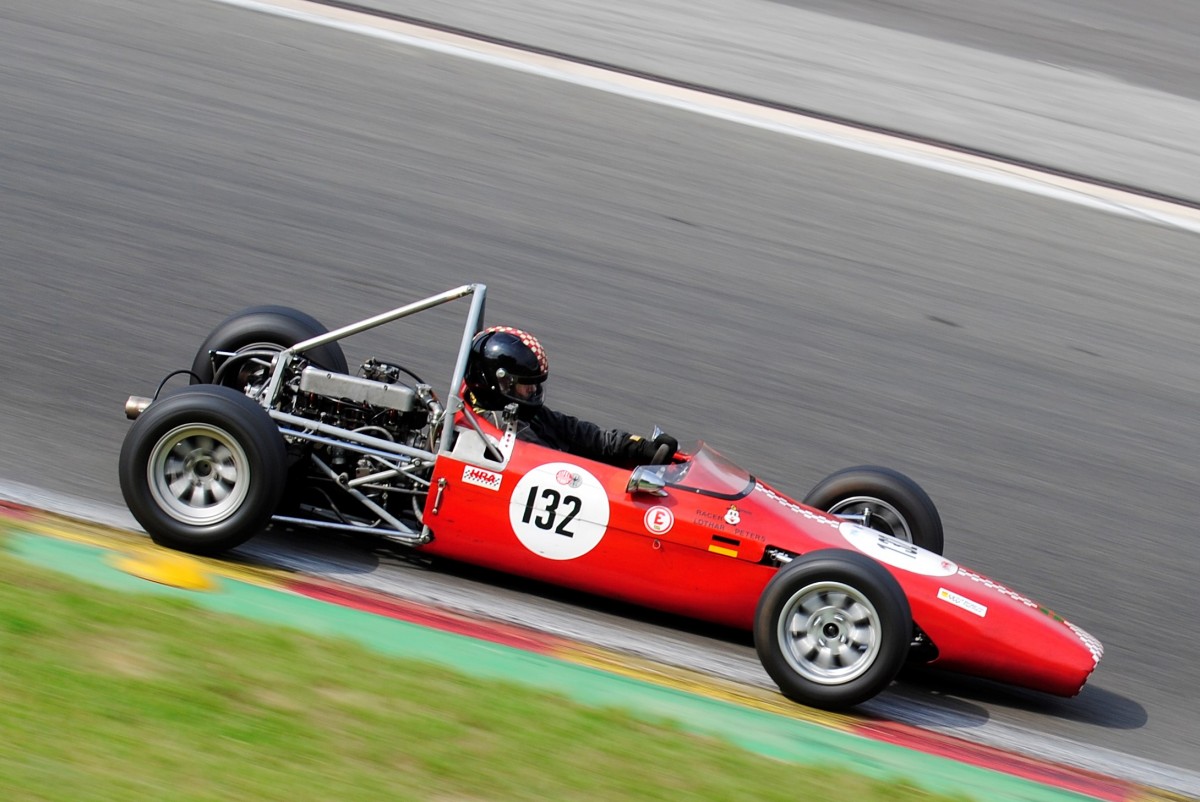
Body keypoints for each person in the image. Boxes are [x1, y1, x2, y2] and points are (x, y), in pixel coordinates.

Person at [464, 326, 678, 468]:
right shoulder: (504, 431)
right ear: (500, 383)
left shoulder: (523, 413)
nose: (532, 390)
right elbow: (557, 468)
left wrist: (638, 447)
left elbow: (581, 433)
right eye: (525, 384)